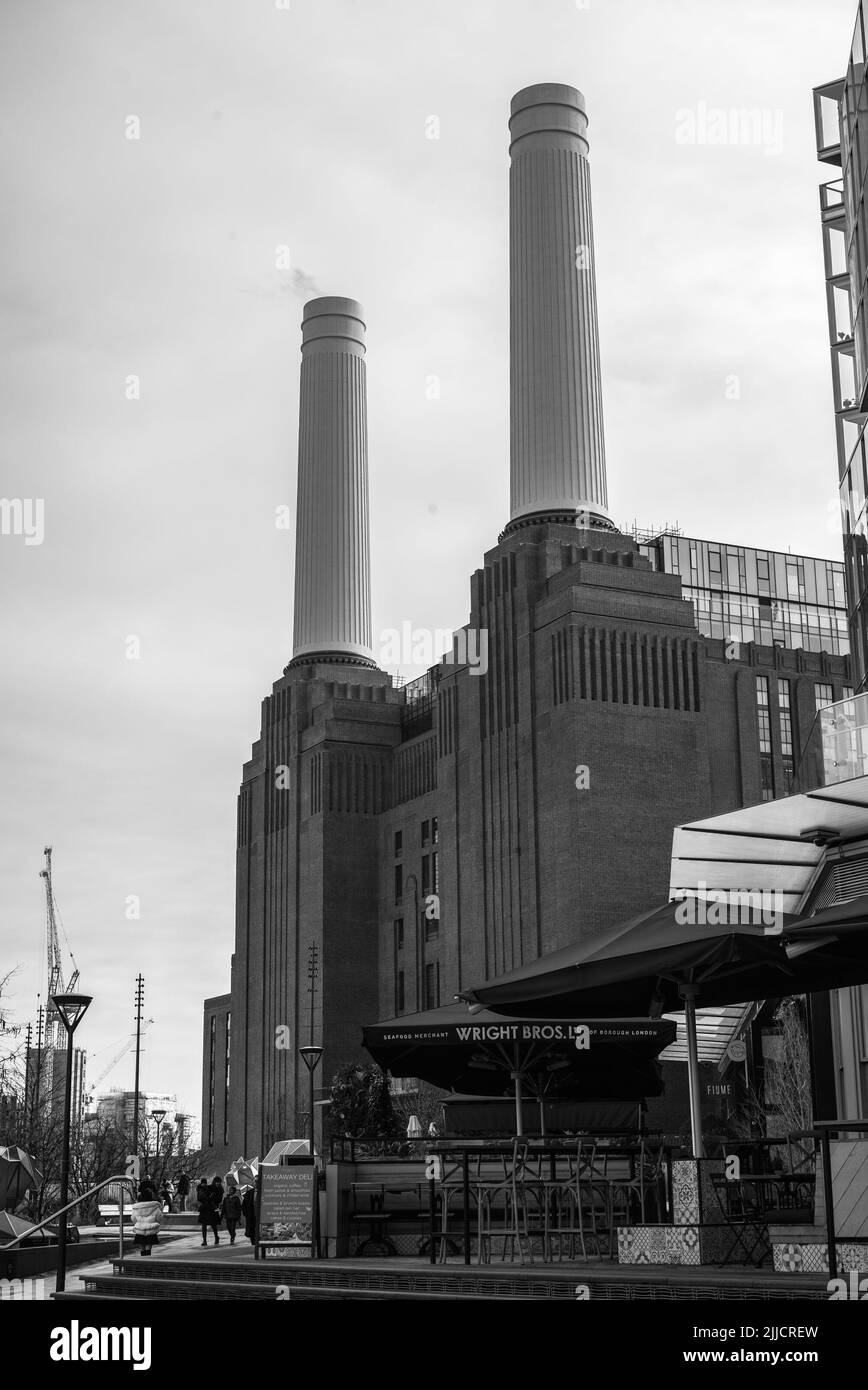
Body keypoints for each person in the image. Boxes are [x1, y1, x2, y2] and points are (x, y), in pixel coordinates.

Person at [197, 1178, 220, 1246]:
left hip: (210, 1208)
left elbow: (213, 1198)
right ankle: (204, 1240)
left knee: (213, 1225)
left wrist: (209, 1198)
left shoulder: (210, 1189)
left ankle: (216, 1237)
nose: (203, 1184)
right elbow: (199, 1198)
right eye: (202, 1183)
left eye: (204, 1183)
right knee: (204, 1226)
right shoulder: (200, 1189)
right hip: (204, 1209)